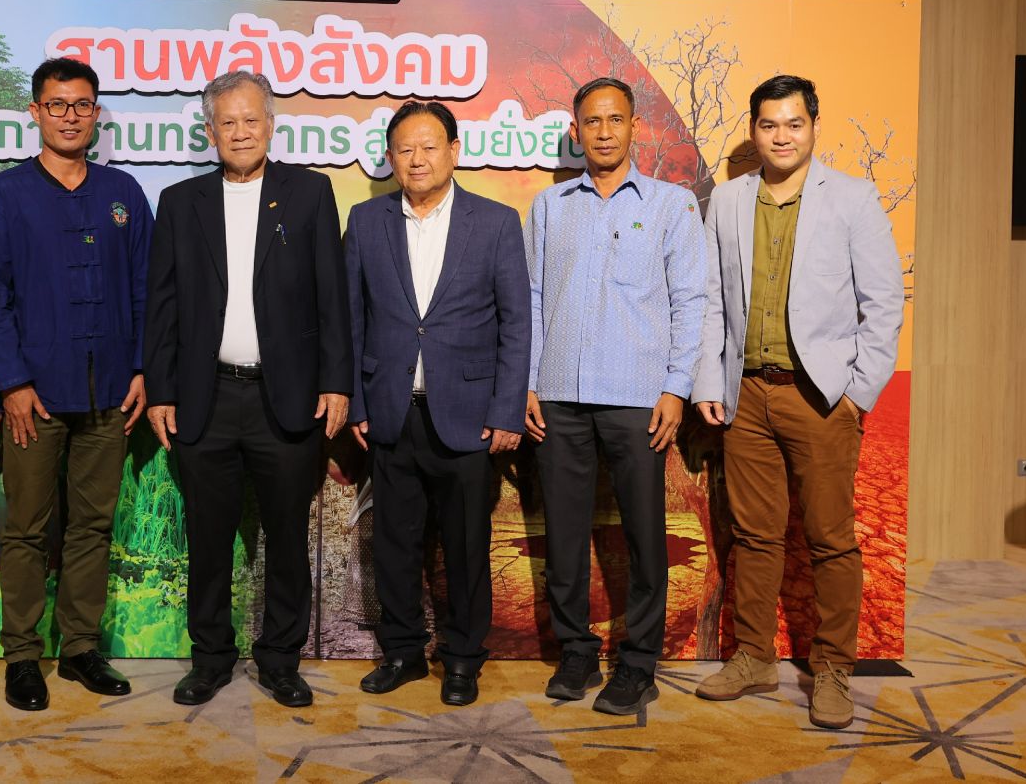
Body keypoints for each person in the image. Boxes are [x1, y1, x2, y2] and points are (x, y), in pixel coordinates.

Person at [691, 75, 903, 730]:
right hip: (746, 395)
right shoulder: (728, 200)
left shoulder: (852, 198)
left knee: (831, 538)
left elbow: (883, 303)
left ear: (813, 125)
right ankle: (754, 657)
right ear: (754, 131)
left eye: (794, 123)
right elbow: (711, 298)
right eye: (769, 125)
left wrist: (857, 393)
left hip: (821, 397)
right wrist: (708, 381)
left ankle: (833, 667)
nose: (781, 136)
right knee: (754, 535)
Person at [142, 70, 352, 708]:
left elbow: (332, 296)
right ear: (210, 131)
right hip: (205, 397)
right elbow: (162, 305)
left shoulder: (309, 193)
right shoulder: (180, 201)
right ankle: (210, 658)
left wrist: (336, 382)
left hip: (284, 399)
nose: (240, 132)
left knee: (286, 538)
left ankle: (281, 660)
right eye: (227, 122)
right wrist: (161, 391)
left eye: (251, 120)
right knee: (208, 539)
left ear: (270, 126)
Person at [524, 76, 707, 716]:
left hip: (638, 399)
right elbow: (532, 299)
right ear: (576, 132)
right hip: (559, 396)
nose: (604, 132)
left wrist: (676, 388)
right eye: (592, 122)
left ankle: (638, 663)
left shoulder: (671, 206)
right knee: (564, 536)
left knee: (644, 535)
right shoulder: (550, 207)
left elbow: (691, 301)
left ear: (634, 126)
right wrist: (528, 381)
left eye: (615, 120)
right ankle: (575, 651)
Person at [0, 57, 151, 712]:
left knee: (92, 526)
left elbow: (146, 290)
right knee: (25, 528)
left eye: (81, 105)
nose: (69, 116)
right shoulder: (7, 193)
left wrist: (142, 369)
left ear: (95, 113)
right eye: (57, 104)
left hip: (110, 392)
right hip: (35, 397)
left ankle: (79, 649)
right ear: (36, 111)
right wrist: (11, 382)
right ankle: (23, 655)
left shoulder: (123, 193)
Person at [341, 101, 531, 707]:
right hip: (391, 411)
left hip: (469, 415)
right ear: (390, 158)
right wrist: (359, 403)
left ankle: (463, 658)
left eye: (428, 147)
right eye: (404, 149)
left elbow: (516, 324)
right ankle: (402, 652)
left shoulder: (496, 222)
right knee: (394, 542)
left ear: (454, 150)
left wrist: (505, 411)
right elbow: (351, 320)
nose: (417, 159)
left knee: (467, 544)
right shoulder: (366, 221)